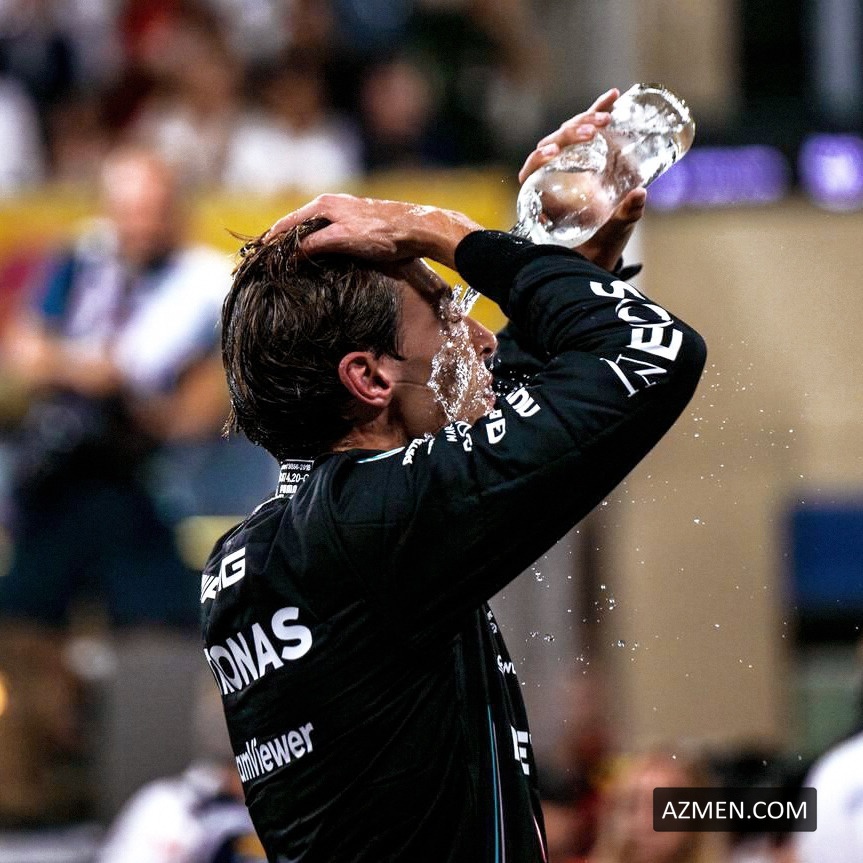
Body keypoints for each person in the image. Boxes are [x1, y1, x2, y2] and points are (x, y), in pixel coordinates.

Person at [201, 89, 707, 861]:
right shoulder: (369, 521)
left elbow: (514, 410)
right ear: (369, 377)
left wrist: (560, 258)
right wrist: (440, 229)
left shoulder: (282, 540)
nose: (480, 336)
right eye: (445, 312)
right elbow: (650, 354)